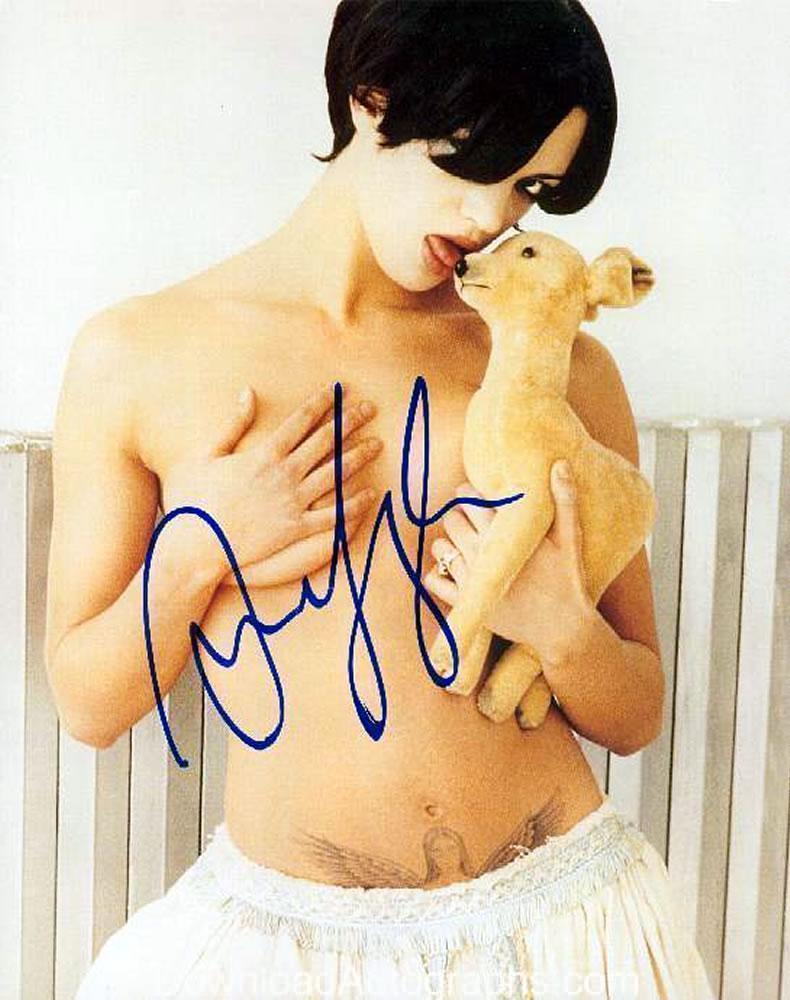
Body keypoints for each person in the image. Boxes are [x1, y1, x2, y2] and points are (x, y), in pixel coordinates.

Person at [47, 1, 716, 996]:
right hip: (292, 959)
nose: (492, 217)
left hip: (571, 933)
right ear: (373, 95)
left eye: (528, 188)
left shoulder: (558, 368)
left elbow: (636, 710)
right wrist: (199, 551)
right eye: (473, 159)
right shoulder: (139, 354)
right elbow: (88, 705)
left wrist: (561, 630)